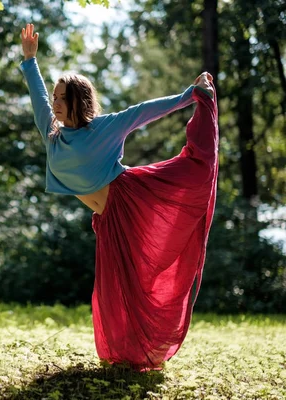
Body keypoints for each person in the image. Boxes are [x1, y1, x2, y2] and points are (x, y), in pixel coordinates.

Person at [20, 23, 219, 369]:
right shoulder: (52, 133)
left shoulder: (105, 127)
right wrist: (29, 59)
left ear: (76, 101)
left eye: (60, 96)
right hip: (109, 219)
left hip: (131, 200)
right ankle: (128, 356)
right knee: (116, 288)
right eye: (54, 97)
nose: (53, 102)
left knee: (146, 278)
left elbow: (145, 111)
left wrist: (192, 94)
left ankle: (150, 350)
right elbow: (36, 94)